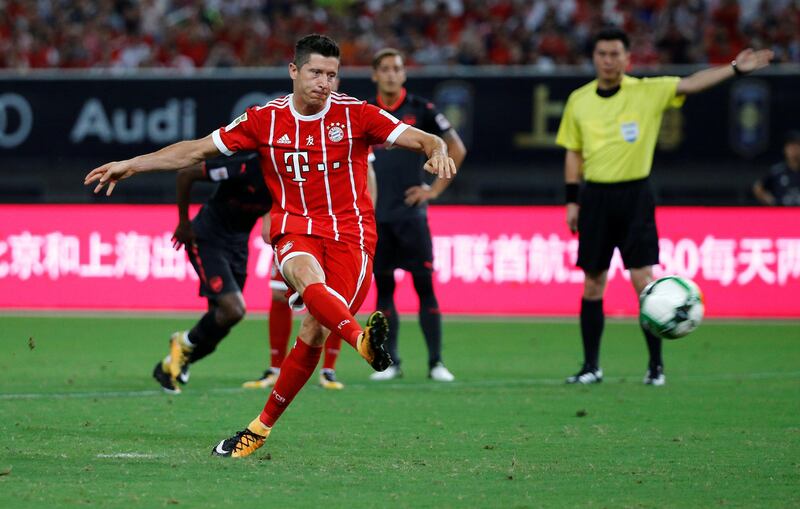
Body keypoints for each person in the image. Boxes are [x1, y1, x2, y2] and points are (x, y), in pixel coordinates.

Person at [84, 34, 456, 458]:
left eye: (332, 75)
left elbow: (426, 139)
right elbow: (196, 151)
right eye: (315, 72)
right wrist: (133, 164)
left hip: (351, 236)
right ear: (294, 71)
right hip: (295, 228)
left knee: (315, 329)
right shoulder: (265, 119)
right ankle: (360, 341)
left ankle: (259, 428)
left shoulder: (357, 115)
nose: (324, 82)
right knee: (302, 275)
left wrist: (437, 152)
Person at [555, 27, 773, 386]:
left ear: (628, 58)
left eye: (615, 54)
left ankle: (655, 367)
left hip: (634, 195)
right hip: (595, 198)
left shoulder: (647, 91)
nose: (608, 60)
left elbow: (691, 84)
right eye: (602, 54)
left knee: (645, 284)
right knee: (593, 283)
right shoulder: (579, 100)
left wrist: (734, 68)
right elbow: (573, 152)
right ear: (594, 58)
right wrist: (571, 201)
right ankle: (590, 367)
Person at [366, 48, 467, 382]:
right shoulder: (366, 113)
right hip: (377, 217)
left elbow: (456, 147)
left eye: (397, 68)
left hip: (412, 216)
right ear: (375, 75)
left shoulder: (422, 109)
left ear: (404, 74)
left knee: (424, 286)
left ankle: (436, 362)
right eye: (386, 69)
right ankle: (392, 362)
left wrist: (433, 190)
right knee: (384, 291)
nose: (392, 74)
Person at [243, 163, 377, 391]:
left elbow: (368, 171)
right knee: (279, 294)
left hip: (339, 227)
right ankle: (275, 368)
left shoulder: (347, 129)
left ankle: (328, 369)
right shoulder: (283, 131)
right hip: (296, 223)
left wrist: (365, 215)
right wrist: (268, 215)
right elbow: (272, 167)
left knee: (334, 297)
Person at [151, 151, 270, 394]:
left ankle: (168, 366)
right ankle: (182, 342)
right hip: (207, 238)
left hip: (238, 246)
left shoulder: (289, 180)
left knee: (220, 323)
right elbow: (186, 174)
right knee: (233, 309)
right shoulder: (244, 167)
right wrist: (184, 223)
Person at [752, 130, 800, 206]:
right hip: (783, 213)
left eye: (796, 146)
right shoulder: (777, 171)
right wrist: (771, 201)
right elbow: (758, 187)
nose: (793, 149)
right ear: (785, 149)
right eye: (790, 146)